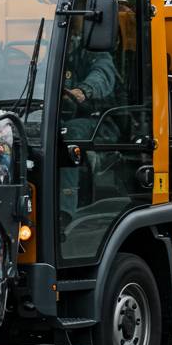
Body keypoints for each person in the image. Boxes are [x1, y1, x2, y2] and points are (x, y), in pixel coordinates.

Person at [59, 16, 119, 216]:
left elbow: (102, 74)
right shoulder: (58, 48)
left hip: (103, 121)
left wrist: (84, 91)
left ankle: (65, 209)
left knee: (69, 134)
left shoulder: (95, 52)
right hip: (67, 117)